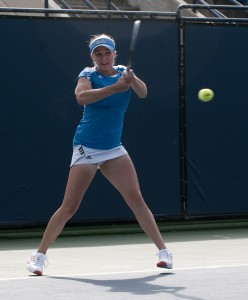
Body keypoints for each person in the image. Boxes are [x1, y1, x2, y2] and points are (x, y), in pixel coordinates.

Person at [26, 34, 173, 276]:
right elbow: (81, 97)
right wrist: (115, 87)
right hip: (87, 146)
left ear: (115, 54)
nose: (103, 58)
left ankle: (164, 252)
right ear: (92, 57)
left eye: (107, 53)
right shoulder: (87, 75)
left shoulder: (124, 71)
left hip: (113, 148)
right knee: (69, 207)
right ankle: (39, 255)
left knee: (136, 198)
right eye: (98, 54)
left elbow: (143, 93)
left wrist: (132, 80)